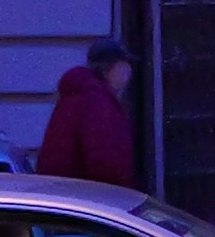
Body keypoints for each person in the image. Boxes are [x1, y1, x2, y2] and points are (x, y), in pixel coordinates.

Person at [36, 38, 139, 183]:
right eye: (124, 64)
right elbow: (103, 158)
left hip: (66, 190)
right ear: (107, 69)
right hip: (85, 195)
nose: (129, 70)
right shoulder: (96, 101)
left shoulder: (81, 95)